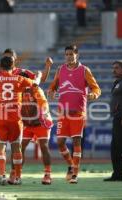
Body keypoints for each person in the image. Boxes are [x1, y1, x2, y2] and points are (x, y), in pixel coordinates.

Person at [48, 45, 101, 184]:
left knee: (76, 141)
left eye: (71, 54)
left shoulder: (84, 70)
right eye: (67, 54)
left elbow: (96, 88)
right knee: (60, 143)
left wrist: (93, 94)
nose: (69, 57)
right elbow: (53, 86)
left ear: (77, 54)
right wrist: (51, 92)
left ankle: (75, 174)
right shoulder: (60, 69)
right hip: (63, 113)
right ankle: (71, 165)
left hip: (78, 112)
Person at [0, 56, 37, 185]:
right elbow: (35, 83)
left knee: (0, 147)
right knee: (16, 148)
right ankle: (17, 177)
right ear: (13, 66)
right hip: (15, 119)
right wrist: (38, 75)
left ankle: (2, 176)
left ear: (0, 66)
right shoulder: (19, 78)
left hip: (0, 118)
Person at [19, 72, 53, 185]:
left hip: (40, 123)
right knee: (20, 147)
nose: (22, 81)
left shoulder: (36, 89)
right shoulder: (17, 91)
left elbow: (44, 103)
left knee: (43, 146)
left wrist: (43, 114)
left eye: (24, 79)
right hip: (27, 124)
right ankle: (16, 173)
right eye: (21, 79)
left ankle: (48, 174)